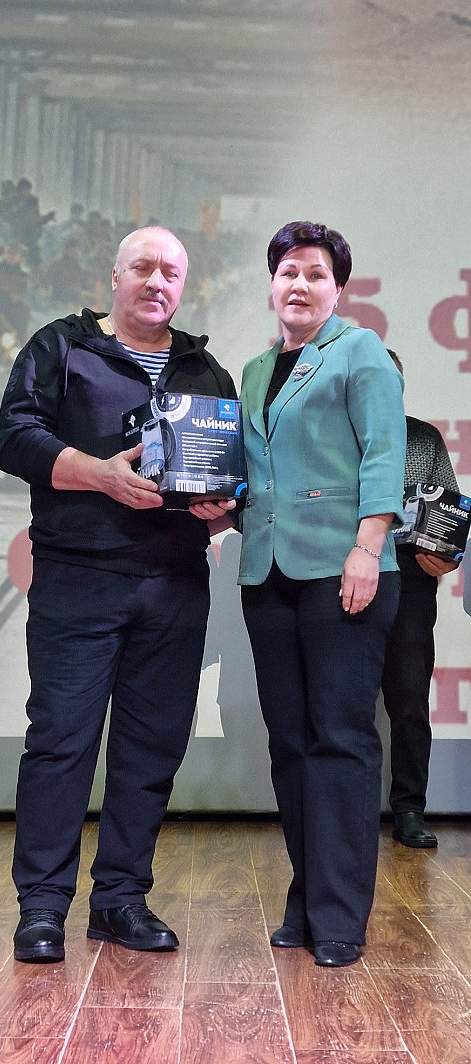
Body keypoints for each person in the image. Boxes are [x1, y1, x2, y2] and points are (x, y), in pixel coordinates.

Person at [0, 225, 237, 963]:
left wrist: (222, 507)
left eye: (171, 272)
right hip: (79, 578)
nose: (157, 282)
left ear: (183, 287)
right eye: (143, 267)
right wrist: (97, 473)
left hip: (174, 582)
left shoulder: (204, 369)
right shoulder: (60, 347)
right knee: (60, 741)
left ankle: (120, 901)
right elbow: (14, 439)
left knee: (151, 746)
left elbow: (229, 475)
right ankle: (42, 909)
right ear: (115, 276)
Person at [238, 220, 406, 968]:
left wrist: (367, 550)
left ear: (338, 288)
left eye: (314, 274)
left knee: (340, 739)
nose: (299, 285)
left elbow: (384, 455)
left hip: (346, 570)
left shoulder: (359, 350)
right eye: (288, 272)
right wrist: (220, 504)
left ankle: (340, 916)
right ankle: (307, 900)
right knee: (292, 745)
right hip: (269, 573)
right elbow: (258, 471)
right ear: (271, 284)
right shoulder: (254, 369)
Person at [382, 349, 460, 849]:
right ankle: (341, 809)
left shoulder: (424, 438)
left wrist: (447, 555)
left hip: (411, 580)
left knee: (409, 700)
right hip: (338, 575)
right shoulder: (331, 435)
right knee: (340, 702)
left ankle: (410, 807)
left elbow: (449, 515)